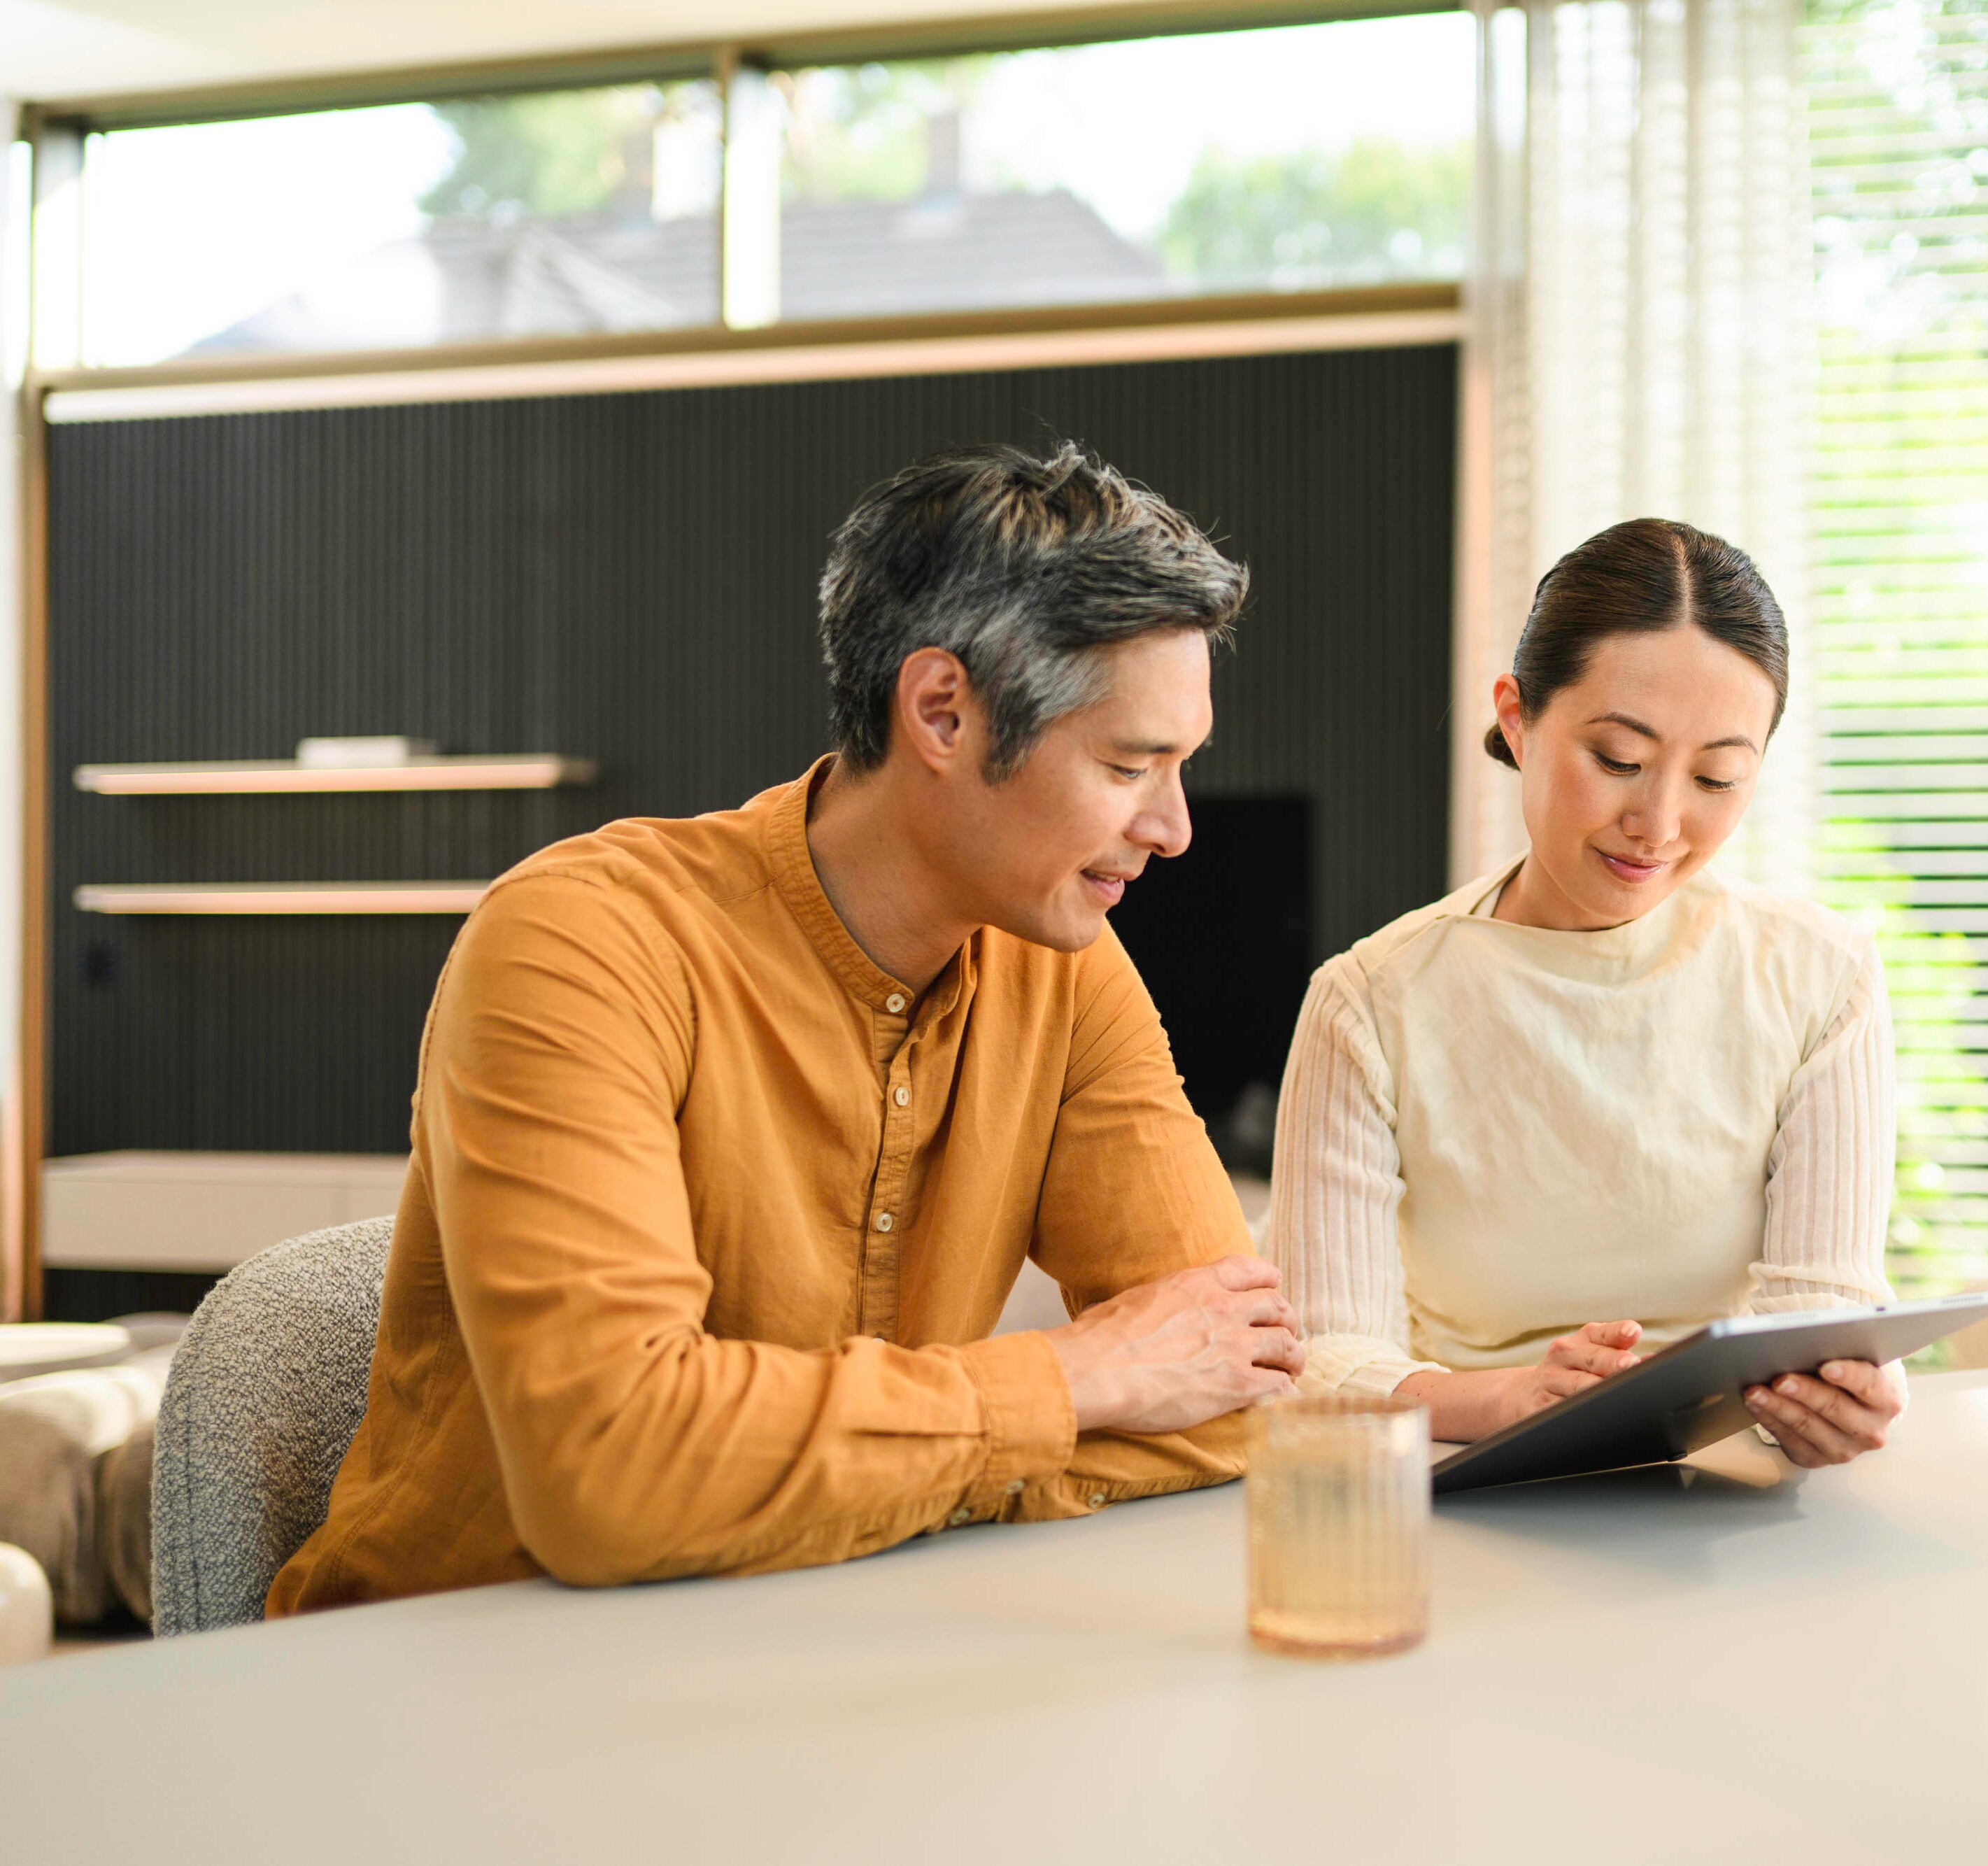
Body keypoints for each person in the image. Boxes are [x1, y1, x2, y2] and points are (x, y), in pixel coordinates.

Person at [269, 442, 1305, 1613]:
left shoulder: (1067, 971)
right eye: (1129, 766)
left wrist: (848, 1476)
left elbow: (1234, 1385)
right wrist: (1075, 1381)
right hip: (450, 1681)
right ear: (944, 712)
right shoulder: (579, 942)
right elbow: (615, 1475)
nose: (1172, 829)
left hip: (816, 1648)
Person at [1267, 518, 1904, 1466]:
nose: (1658, 823)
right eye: (1617, 760)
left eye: (1717, 777)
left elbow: (1821, 1307)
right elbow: (1323, 1360)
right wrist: (1503, 1402)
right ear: (1518, 718)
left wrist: (1836, 1398)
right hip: (1464, 1491)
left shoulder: (1822, 979)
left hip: (1732, 1500)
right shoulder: (1371, 1002)